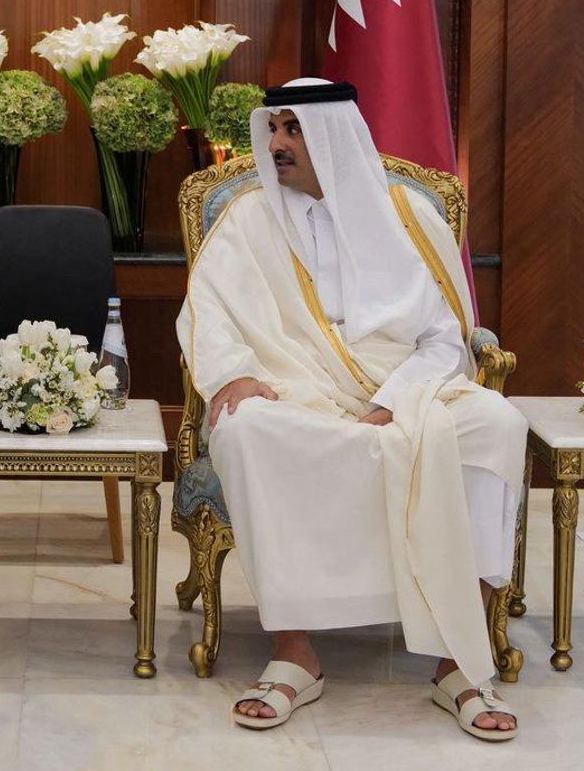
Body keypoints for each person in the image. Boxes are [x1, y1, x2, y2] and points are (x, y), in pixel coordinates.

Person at [176, 79, 526, 742]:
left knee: (496, 426)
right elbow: (207, 312)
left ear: (332, 135)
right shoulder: (248, 217)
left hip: (407, 388)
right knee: (247, 427)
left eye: (293, 130)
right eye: (273, 128)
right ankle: (294, 651)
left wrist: (392, 404)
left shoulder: (406, 217)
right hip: (297, 393)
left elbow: (444, 338)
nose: (276, 143)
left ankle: (460, 661)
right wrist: (236, 373)